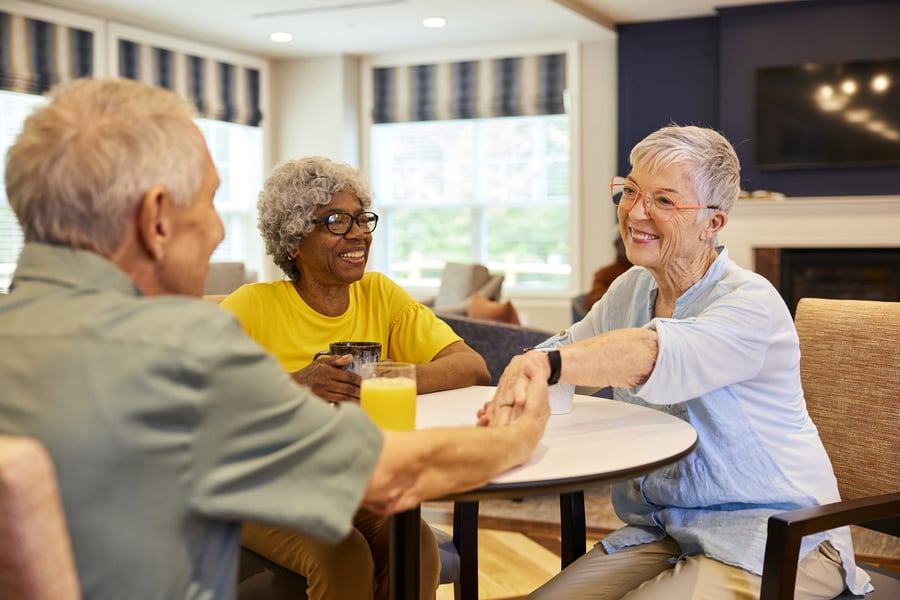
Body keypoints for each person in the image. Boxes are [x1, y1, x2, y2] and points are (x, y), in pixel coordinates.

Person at [0, 77, 550, 600]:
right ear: (156, 219)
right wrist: (519, 436)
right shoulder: (180, 347)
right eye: (210, 202)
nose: (218, 231)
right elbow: (388, 472)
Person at [482, 125, 870, 599]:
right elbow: (565, 359)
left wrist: (547, 366)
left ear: (712, 223)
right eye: (630, 191)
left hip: (776, 537)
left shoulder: (750, 303)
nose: (635, 211)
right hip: (667, 528)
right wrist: (524, 380)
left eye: (664, 201)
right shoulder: (631, 288)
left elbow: (648, 356)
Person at [219, 156, 491, 599]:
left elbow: (470, 366)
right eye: (336, 222)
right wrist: (296, 384)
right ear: (293, 240)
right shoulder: (252, 306)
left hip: (353, 479)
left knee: (416, 543)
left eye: (361, 219)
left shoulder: (379, 294)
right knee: (341, 552)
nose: (359, 234)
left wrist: (389, 379)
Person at [583, 233, 631, 312]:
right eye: (622, 241)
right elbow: (591, 303)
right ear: (616, 245)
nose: (626, 245)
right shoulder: (604, 273)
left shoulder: (649, 272)